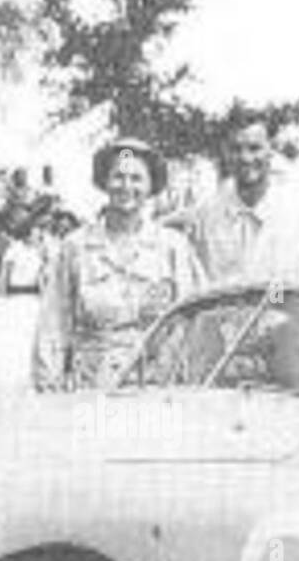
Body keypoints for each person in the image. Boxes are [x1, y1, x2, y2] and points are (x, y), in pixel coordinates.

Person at [34, 137, 204, 390]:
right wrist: (48, 385)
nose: (126, 186)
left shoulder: (173, 247)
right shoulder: (76, 247)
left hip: (160, 391)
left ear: (151, 186)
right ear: (104, 182)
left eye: (137, 179)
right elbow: (53, 324)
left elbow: (198, 320)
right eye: (118, 177)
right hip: (93, 391)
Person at [175, 116, 299, 284]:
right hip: (224, 308)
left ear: (270, 151)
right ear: (226, 153)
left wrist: (273, 301)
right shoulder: (207, 214)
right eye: (235, 149)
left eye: (254, 148)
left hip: (283, 306)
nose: (245, 158)